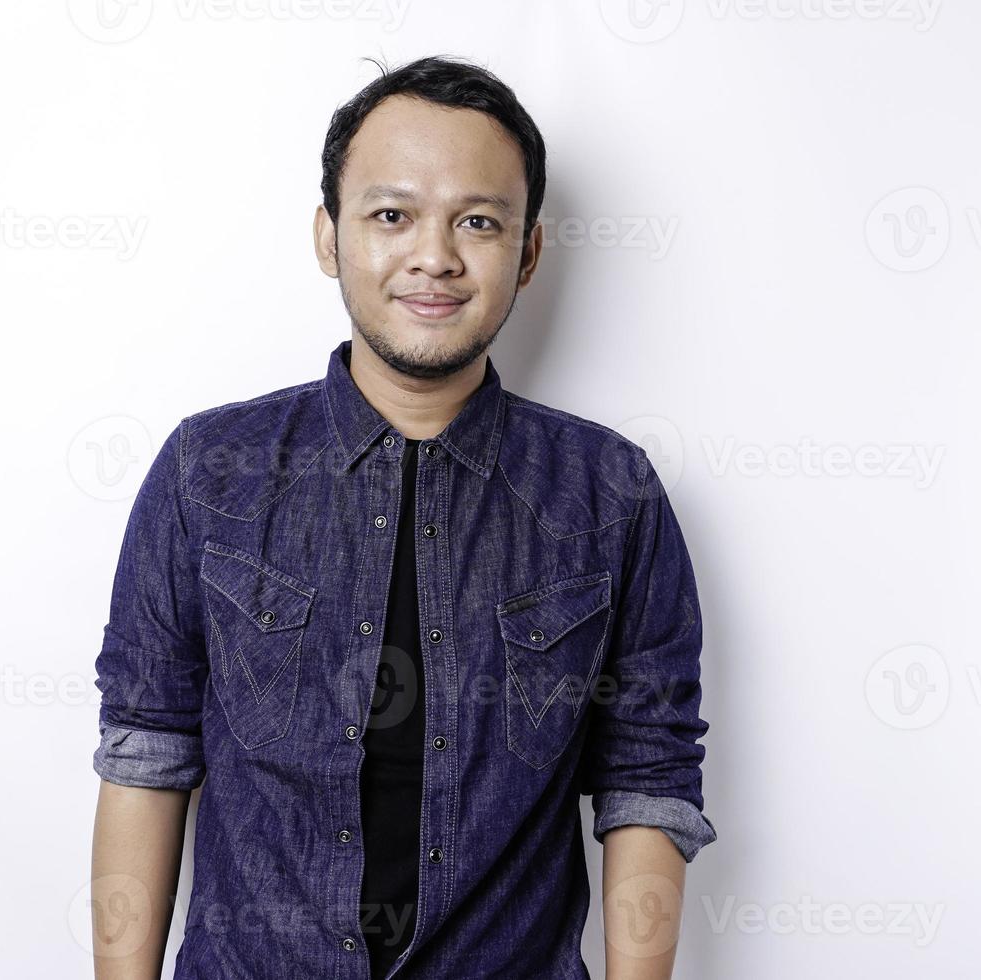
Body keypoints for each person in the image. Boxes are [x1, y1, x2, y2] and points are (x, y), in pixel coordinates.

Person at [89, 54, 716, 980]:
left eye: (478, 221)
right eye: (392, 215)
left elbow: (645, 783)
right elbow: (146, 754)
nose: (436, 255)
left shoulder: (610, 493)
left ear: (529, 251)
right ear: (329, 237)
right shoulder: (206, 473)